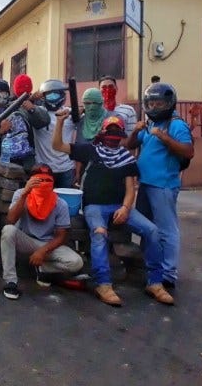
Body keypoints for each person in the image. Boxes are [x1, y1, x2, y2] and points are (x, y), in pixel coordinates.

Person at [53, 114, 171, 306]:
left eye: (117, 132)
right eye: (110, 131)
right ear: (103, 132)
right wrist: (59, 122)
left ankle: (155, 282)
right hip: (94, 207)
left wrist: (125, 208)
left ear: (122, 134)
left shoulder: (126, 158)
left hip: (119, 206)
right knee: (99, 233)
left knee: (153, 231)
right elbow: (57, 146)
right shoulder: (90, 151)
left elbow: (130, 189)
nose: (113, 135)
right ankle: (103, 284)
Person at [127, 82, 194, 292]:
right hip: (145, 184)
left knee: (166, 230)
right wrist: (135, 131)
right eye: (151, 103)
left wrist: (164, 137)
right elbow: (130, 145)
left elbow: (188, 151)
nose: (155, 107)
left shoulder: (176, 125)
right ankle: (149, 266)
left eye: (159, 103)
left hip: (163, 185)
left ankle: (168, 274)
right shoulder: (148, 124)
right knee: (146, 228)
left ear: (169, 103)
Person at [0, 163, 84, 300]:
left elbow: (62, 236)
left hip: (47, 245)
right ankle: (10, 281)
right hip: (25, 240)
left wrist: (42, 251)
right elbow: (10, 220)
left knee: (76, 262)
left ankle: (44, 269)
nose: (43, 184)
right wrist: (24, 194)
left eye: (47, 180)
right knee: (8, 230)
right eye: (39, 180)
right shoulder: (20, 194)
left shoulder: (60, 203)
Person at [0, 82, 49, 171]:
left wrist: (33, 109)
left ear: (8, 95)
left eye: (2, 93)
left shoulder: (21, 109)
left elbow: (44, 121)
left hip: (25, 164)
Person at [32, 79, 76, 188]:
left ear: (62, 96)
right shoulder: (37, 113)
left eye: (55, 95)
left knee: (66, 203)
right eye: (49, 95)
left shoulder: (69, 114)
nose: (52, 98)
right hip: (43, 168)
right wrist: (32, 98)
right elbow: (19, 105)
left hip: (66, 168)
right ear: (43, 96)